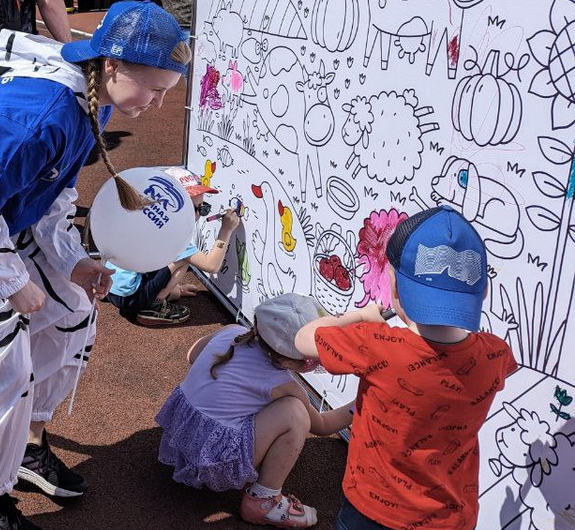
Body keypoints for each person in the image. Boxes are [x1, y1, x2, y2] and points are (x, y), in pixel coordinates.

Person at [0, 0, 191, 530]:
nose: (159, 103)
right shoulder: (38, 115)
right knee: (2, 363)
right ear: (113, 65)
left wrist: (70, 261)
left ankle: (25, 444)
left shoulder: (97, 95)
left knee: (74, 312)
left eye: (168, 90)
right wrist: (13, 285)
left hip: (0, 221)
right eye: (155, 88)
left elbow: (50, 195)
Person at [294, 206, 517, 530]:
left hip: (370, 510)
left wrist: (358, 316)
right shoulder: (495, 354)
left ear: (395, 288)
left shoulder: (374, 344)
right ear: (482, 290)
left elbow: (303, 339)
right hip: (450, 517)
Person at [156, 292, 353, 528]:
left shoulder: (231, 331)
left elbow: (192, 355)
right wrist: (363, 399)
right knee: (295, 413)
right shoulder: (283, 384)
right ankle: (264, 501)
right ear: (291, 362)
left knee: (267, 407)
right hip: (215, 463)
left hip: (182, 439)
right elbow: (322, 425)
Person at [103, 165, 240, 325]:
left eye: (204, 208)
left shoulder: (143, 218)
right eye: (199, 209)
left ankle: (158, 294)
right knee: (183, 260)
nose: (200, 214)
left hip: (109, 287)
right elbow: (212, 266)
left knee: (167, 259)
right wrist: (226, 230)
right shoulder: (175, 236)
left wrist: (176, 290)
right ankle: (153, 305)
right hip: (131, 297)